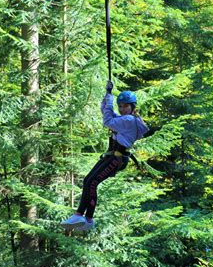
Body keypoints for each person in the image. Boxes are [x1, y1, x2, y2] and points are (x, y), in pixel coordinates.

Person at [60, 80, 149, 231]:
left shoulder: (128, 120)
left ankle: (86, 218)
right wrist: (107, 95)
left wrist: (110, 98)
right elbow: (106, 113)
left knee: (92, 182)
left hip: (117, 158)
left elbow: (107, 120)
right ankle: (81, 217)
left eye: (125, 106)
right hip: (112, 156)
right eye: (120, 106)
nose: (122, 109)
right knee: (88, 180)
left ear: (132, 107)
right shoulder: (124, 119)